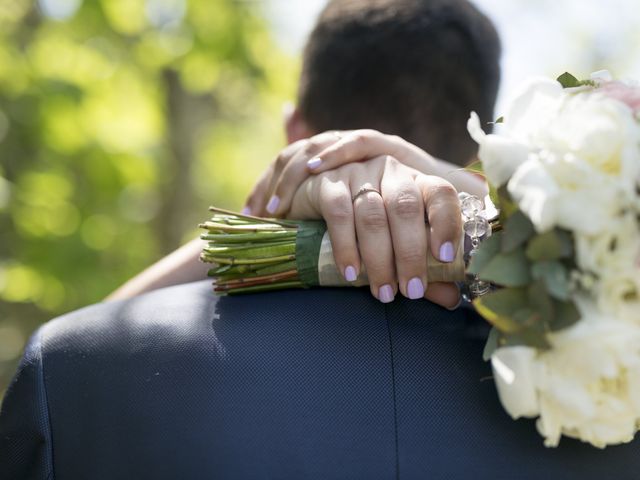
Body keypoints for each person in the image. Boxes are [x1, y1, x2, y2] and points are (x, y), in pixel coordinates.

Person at [9, 1, 636, 479]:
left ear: (294, 132)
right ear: (480, 152)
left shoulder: (78, 370)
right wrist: (482, 208)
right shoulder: (612, 366)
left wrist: (277, 210)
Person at [105, 0, 498, 307]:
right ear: (479, 153)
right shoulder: (538, 320)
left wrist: (258, 219)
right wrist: (470, 188)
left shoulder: (176, 323)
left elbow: (65, 345)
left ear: (295, 132)